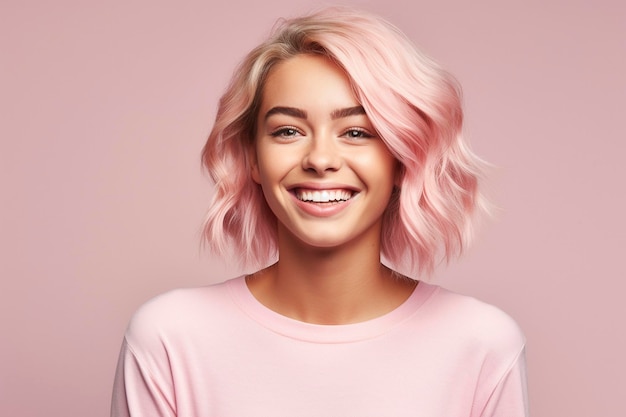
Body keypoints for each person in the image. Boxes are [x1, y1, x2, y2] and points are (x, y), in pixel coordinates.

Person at [111, 7, 528, 417]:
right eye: (288, 131)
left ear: (403, 159)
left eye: (357, 132)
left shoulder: (481, 346)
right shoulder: (169, 340)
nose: (321, 159)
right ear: (252, 158)